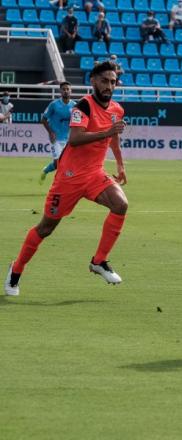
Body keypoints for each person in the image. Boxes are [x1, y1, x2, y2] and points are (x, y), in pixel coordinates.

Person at [4, 62, 128, 297]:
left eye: (113, 82)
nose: (109, 86)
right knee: (46, 228)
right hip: (68, 178)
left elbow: (114, 139)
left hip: (95, 174)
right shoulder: (83, 106)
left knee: (120, 205)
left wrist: (120, 165)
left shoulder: (117, 110)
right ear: (93, 81)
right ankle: (16, 270)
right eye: (104, 80)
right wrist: (108, 132)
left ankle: (99, 261)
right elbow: (75, 139)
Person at [39, 82, 75, 184]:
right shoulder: (54, 105)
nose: (66, 91)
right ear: (60, 91)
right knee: (59, 162)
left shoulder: (75, 106)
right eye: (64, 89)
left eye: (68, 89)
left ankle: (45, 170)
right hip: (56, 138)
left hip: (68, 139)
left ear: (71, 91)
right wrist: (51, 132)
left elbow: (77, 122)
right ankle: (60, 184)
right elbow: (43, 119)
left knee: (59, 163)